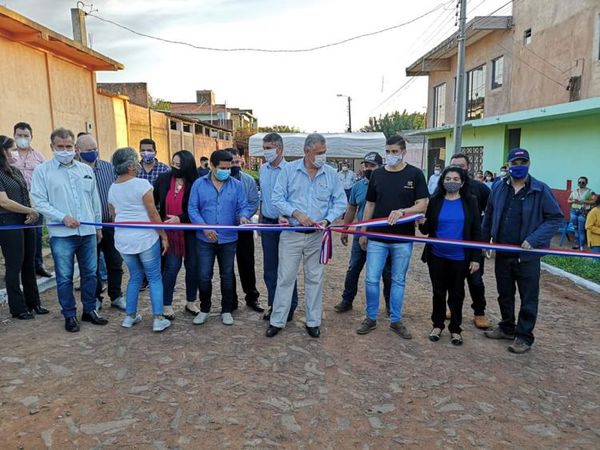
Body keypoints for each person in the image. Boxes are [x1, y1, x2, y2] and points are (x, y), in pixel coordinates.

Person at [482, 148, 563, 353]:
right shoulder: (499, 188)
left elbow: (555, 219)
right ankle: (507, 327)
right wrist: (485, 241)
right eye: (515, 163)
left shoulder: (539, 189)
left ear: (528, 164)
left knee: (528, 297)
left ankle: (524, 336)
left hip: (527, 256)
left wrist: (534, 239)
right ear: (508, 165)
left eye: (523, 162)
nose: (518, 167)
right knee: (504, 294)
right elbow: (489, 216)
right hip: (503, 252)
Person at [266, 133, 347, 338]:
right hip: (292, 234)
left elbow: (340, 202)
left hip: (317, 236)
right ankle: (278, 320)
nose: (322, 157)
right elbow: (277, 197)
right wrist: (296, 213)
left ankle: (313, 321)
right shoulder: (289, 170)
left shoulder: (331, 174)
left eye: (324, 152)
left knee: (315, 279)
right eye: (319, 153)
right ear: (306, 151)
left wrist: (328, 220)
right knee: (285, 278)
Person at [31, 128, 107, 332]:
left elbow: (95, 201)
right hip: (62, 234)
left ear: (75, 148)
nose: (65, 151)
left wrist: (98, 227)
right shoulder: (43, 171)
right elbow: (38, 201)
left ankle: (90, 310)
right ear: (52, 147)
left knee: (90, 274)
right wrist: (62, 217)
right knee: (64, 277)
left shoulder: (85, 170)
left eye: (68, 147)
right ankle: (70, 315)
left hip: (88, 233)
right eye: (60, 147)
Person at [357, 135, 428, 338]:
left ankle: (396, 320)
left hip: (402, 239)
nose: (391, 155)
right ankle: (370, 317)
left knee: (398, 280)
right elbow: (370, 204)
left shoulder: (415, 174)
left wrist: (402, 212)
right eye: (388, 151)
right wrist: (363, 232)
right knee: (371, 279)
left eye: (395, 152)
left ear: (404, 152)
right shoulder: (377, 175)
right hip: (377, 238)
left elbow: (422, 204)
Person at [108, 147, 171, 332]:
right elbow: (153, 213)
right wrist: (164, 236)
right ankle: (158, 318)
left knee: (134, 276)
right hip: (145, 238)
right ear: (130, 165)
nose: (138, 163)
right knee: (154, 277)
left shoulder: (112, 187)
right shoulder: (142, 185)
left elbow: (113, 215)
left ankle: (130, 316)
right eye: (136, 160)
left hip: (123, 239)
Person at [188, 149, 253, 326]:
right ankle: (205, 309)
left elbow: (244, 206)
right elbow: (193, 209)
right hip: (204, 240)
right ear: (212, 166)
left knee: (227, 275)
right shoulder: (199, 184)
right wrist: (204, 228)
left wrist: (243, 216)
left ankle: (226, 310)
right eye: (222, 168)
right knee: (203, 275)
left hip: (229, 239)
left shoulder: (237, 185)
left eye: (229, 167)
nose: (227, 171)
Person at [418, 166, 482, 345]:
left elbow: (477, 230)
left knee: (457, 294)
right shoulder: (436, 200)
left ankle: (455, 328)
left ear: (462, 182)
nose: (451, 182)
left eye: (455, 179)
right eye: (448, 178)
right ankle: (437, 325)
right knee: (438, 292)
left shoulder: (470, 201)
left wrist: (476, 257)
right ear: (442, 180)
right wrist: (421, 223)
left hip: (460, 258)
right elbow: (427, 229)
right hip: (437, 255)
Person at [334, 152, 392, 314]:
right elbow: (352, 208)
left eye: (373, 166)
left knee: (386, 271)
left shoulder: (388, 186)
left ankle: (389, 304)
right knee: (354, 268)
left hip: (382, 234)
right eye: (366, 165)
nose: (369, 169)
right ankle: (347, 300)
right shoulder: (358, 187)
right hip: (360, 234)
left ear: (381, 166)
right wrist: (345, 229)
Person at [75, 134, 125, 311]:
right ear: (78, 150)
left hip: (109, 223)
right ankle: (95, 298)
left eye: (94, 149)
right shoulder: (74, 170)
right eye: (88, 150)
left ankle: (116, 296)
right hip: (86, 226)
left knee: (115, 261)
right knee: (90, 265)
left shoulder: (109, 168)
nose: (93, 152)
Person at [0, 136, 47, 319]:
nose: (15, 153)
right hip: (8, 223)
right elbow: (4, 201)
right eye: (12, 150)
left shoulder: (14, 171)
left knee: (29, 263)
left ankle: (33, 303)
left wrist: (30, 212)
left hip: (25, 221)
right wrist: (30, 210)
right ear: (3, 151)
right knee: (14, 265)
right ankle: (18, 307)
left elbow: (24, 194)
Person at [153, 150, 200, 319]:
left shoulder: (196, 182)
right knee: (171, 268)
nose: (175, 167)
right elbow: (153, 202)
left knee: (193, 267)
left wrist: (181, 218)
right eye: (173, 163)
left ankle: (191, 301)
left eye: (179, 164)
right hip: (170, 232)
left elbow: (198, 208)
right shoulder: (163, 179)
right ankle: (166, 304)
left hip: (190, 231)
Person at [258, 133, 299, 322]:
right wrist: (260, 222)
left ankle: (290, 306)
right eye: (264, 148)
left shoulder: (291, 170)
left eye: (269, 148)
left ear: (280, 149)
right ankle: (275, 305)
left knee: (287, 268)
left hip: (286, 225)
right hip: (267, 223)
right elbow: (263, 197)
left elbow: (294, 198)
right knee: (270, 268)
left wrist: (288, 216)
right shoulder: (263, 169)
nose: (266, 152)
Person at [448, 153, 491, 329]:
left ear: (468, 168)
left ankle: (479, 313)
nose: (458, 169)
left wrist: (484, 241)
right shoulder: (445, 189)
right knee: (452, 280)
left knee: (476, 281)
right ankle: (452, 308)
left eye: (461, 166)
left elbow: (491, 214)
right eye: (454, 166)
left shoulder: (480, 189)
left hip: (473, 244)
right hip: (452, 245)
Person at [11, 122, 52, 278]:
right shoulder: (9, 156)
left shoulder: (39, 156)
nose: (22, 138)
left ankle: (38, 265)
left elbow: (46, 178)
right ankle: (21, 268)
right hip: (15, 202)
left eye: (25, 136)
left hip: (35, 201)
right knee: (18, 236)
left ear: (31, 137)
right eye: (19, 135)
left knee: (36, 235)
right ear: (14, 136)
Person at [226, 147, 263, 313]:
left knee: (247, 264)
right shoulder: (219, 179)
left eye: (237, 161)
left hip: (244, 227)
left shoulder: (248, 180)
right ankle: (230, 300)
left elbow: (254, 202)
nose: (235, 165)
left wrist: (243, 216)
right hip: (225, 229)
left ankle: (252, 297)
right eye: (231, 162)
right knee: (227, 267)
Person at [568, 176, 594, 250]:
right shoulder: (575, 191)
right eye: (579, 182)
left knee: (581, 229)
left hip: (583, 212)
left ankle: (581, 245)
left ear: (586, 183)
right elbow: (568, 201)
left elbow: (593, 201)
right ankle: (577, 244)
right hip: (574, 211)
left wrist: (583, 201)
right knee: (576, 229)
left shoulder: (590, 191)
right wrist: (573, 201)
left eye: (583, 182)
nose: (581, 183)